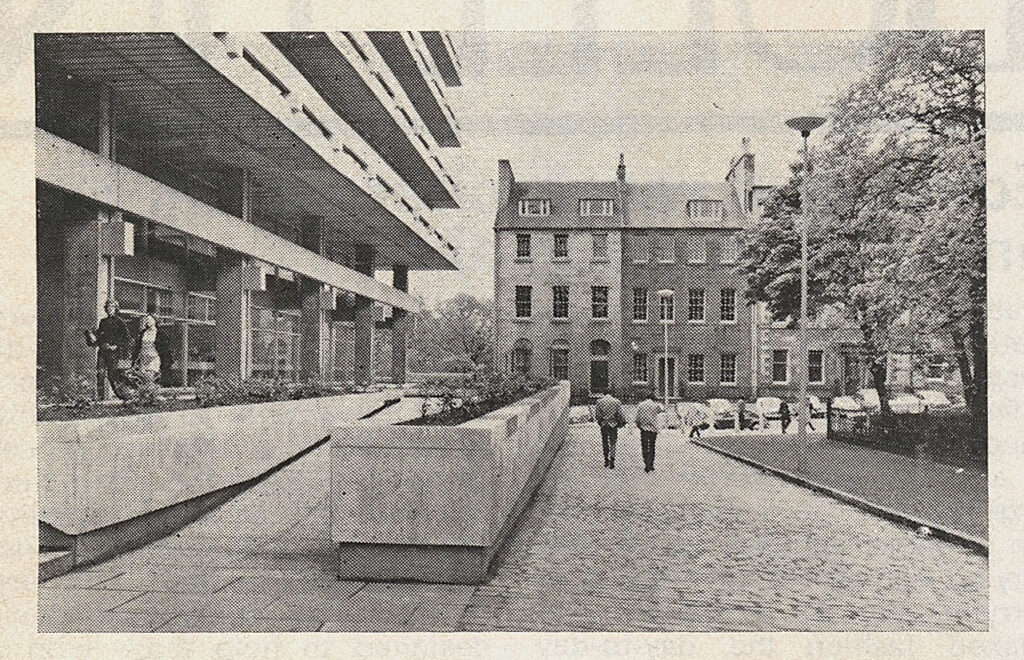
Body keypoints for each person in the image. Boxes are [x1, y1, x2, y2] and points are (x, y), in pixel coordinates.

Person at [84, 299, 133, 399]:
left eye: (112, 307)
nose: (110, 309)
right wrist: (91, 335)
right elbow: (99, 336)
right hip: (103, 351)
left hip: (113, 353)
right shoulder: (103, 322)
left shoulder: (120, 322)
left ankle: (123, 396)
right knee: (100, 374)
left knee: (112, 375)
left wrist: (116, 346)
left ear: (116, 309)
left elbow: (127, 339)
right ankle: (100, 398)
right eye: (108, 307)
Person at [593, 391, 625, 469]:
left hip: (604, 424)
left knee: (605, 442)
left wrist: (601, 421)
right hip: (613, 424)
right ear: (612, 394)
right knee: (613, 442)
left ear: (604, 394)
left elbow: (597, 414)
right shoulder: (616, 402)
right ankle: (612, 459)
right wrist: (621, 422)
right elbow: (620, 414)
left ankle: (606, 459)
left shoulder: (599, 402)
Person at [635, 391, 664, 473]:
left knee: (644, 446)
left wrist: (639, 425)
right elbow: (662, 409)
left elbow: (637, 417)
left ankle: (646, 462)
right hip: (653, 429)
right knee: (652, 446)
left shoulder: (641, 405)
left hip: (644, 428)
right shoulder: (655, 405)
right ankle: (651, 464)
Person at [134, 313, 162, 387]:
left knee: (149, 377)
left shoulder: (159, 333)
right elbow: (138, 345)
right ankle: (145, 395)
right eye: (146, 320)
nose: (147, 321)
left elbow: (163, 347)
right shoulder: (143, 332)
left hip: (153, 357)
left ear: (155, 321)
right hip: (143, 358)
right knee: (143, 379)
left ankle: (151, 394)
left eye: (150, 319)